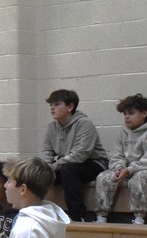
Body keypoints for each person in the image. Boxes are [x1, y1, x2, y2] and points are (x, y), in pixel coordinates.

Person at [94, 94, 147, 225]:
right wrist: (119, 168)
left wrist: (129, 170)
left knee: (139, 178)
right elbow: (115, 154)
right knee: (103, 177)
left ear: (144, 113)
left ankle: (139, 218)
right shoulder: (122, 132)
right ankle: (101, 217)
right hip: (127, 170)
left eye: (131, 113)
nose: (126, 117)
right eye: (124, 114)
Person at [41, 89, 109, 221]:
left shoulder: (85, 124)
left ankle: (78, 216)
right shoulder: (51, 127)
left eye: (56, 104)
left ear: (70, 107)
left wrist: (53, 167)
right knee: (36, 172)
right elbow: (47, 151)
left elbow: (80, 154)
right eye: (51, 105)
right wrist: (45, 167)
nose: (52, 108)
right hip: (66, 164)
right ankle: (39, 214)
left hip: (94, 163)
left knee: (68, 169)